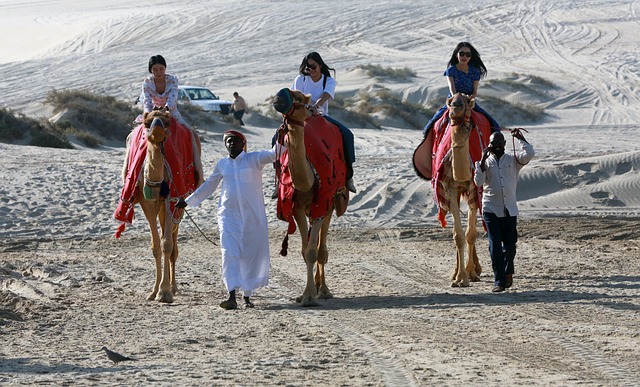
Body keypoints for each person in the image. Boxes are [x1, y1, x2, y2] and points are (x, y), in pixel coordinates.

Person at [177, 130, 284, 309]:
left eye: (235, 141)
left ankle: (247, 295)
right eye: (228, 141)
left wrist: (284, 135)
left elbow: (276, 154)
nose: (231, 144)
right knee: (229, 252)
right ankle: (231, 295)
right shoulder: (222, 164)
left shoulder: (254, 159)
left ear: (243, 144)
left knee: (250, 254)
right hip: (228, 216)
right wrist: (187, 202)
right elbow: (209, 185)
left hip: (253, 217)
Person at [473, 129, 535, 292]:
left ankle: (507, 272)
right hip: (490, 208)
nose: (497, 147)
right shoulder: (483, 163)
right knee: (494, 245)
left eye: (500, 144)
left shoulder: (513, 160)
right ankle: (498, 281)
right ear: (489, 146)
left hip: (510, 209)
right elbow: (478, 182)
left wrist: (521, 138)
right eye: (494, 144)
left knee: (510, 246)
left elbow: (529, 153)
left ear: (505, 144)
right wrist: (482, 161)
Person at [291, 52, 357, 193]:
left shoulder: (328, 81)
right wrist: (305, 107)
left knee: (348, 135)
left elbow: (326, 95)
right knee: (277, 138)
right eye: (307, 67)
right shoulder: (301, 79)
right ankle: (278, 181)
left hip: (321, 116)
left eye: (313, 66)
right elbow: (298, 96)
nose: (310, 70)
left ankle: (349, 176)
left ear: (320, 65)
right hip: (302, 117)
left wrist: (316, 106)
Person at [423, 42, 500, 137]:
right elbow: (452, 89)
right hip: (454, 101)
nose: (465, 57)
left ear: (471, 57)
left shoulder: (475, 71)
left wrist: (471, 97)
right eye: (462, 54)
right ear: (456, 55)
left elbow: (475, 91)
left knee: (493, 124)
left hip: (468, 101)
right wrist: (458, 98)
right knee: (433, 123)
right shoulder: (451, 71)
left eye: (468, 54)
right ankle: (427, 140)